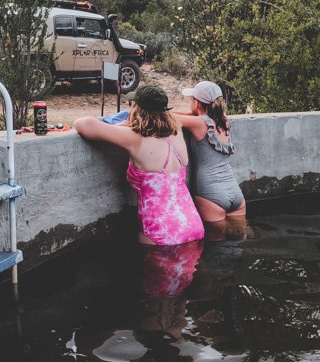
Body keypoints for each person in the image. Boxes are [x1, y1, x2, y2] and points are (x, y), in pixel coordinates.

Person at [74, 84, 204, 246]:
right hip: (193, 224)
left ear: (137, 108)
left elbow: (83, 124)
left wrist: (122, 123)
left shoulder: (134, 138)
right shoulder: (176, 131)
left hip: (161, 232)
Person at [174, 80, 247, 235]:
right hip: (235, 192)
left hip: (211, 193)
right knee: (240, 237)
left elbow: (166, 117)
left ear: (196, 103)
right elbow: (203, 116)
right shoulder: (224, 120)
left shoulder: (198, 124)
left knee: (216, 245)